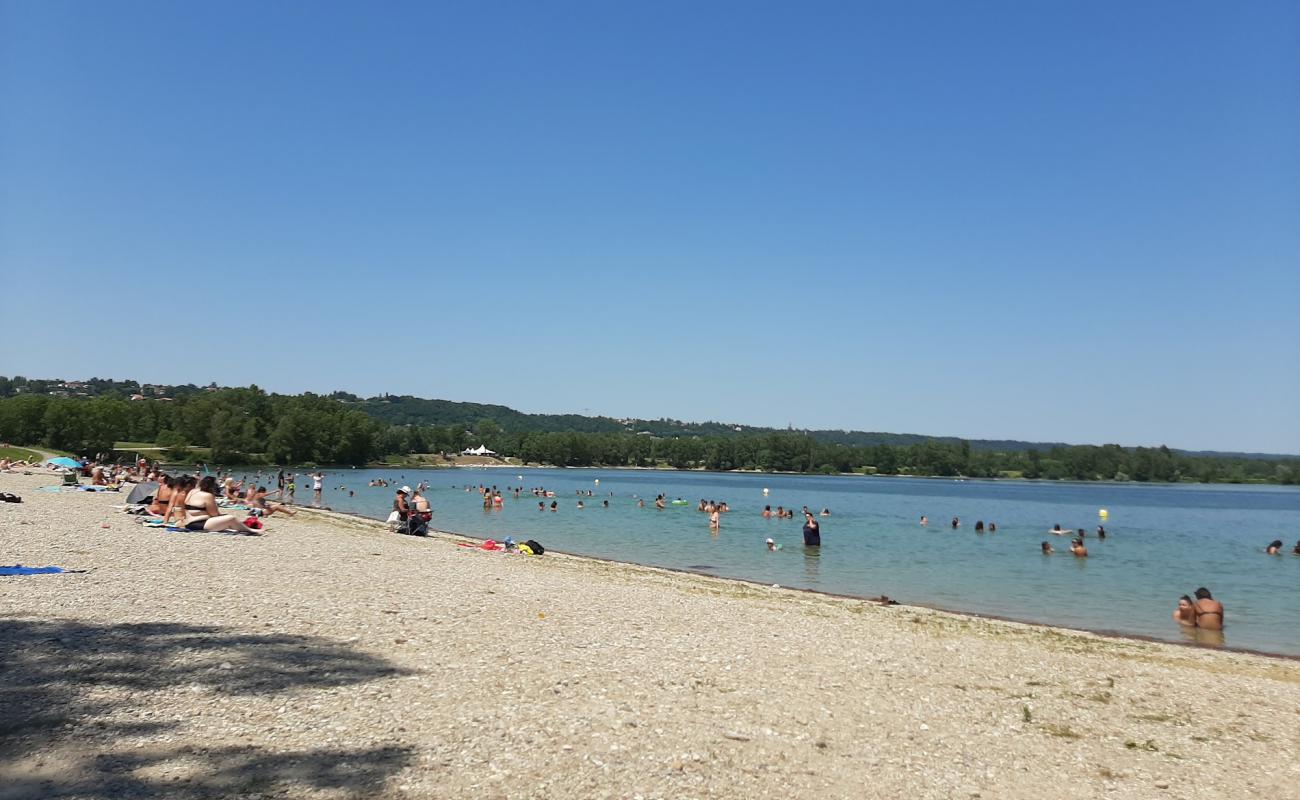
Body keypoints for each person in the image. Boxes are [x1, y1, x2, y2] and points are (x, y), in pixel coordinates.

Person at [182, 476, 262, 534]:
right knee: (231, 518)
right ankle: (250, 530)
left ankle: (244, 528)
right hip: (200, 524)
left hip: (188, 522)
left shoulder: (192, 491)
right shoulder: (207, 495)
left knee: (228, 519)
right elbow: (214, 514)